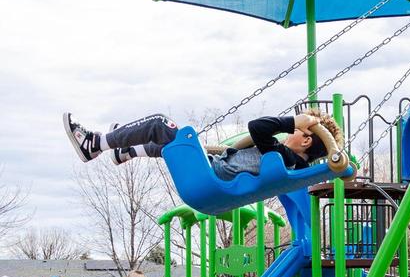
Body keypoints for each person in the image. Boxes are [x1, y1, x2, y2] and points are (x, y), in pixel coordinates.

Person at [62, 108, 342, 181]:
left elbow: (257, 127)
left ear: (305, 138)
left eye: (298, 130)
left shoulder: (284, 157)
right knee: (175, 146)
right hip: (213, 172)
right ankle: (126, 151)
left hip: (211, 174)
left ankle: (95, 143)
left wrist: (293, 120)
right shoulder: (293, 167)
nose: (290, 132)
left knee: (160, 124)